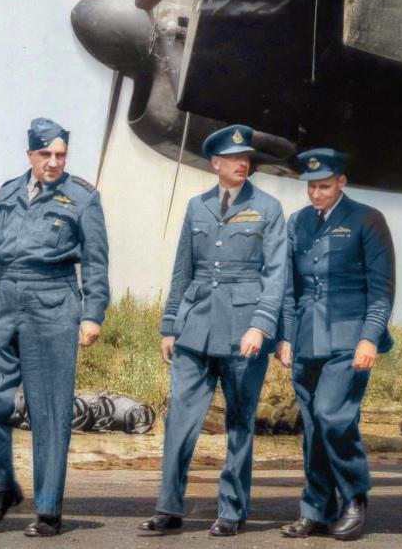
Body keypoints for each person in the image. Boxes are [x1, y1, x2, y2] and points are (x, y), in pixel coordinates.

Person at [0, 117, 109, 538]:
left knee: (49, 411)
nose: (54, 162)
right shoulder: (8, 192)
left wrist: (93, 313)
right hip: (3, 302)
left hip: (53, 302)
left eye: (60, 155)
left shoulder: (82, 198)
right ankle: (1, 488)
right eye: (45, 154)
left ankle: (48, 510)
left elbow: (96, 262)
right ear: (30, 155)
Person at [140, 125, 288, 538]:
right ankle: (168, 507)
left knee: (239, 424)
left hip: (244, 331)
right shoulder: (197, 207)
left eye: (246, 158)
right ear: (215, 163)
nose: (243, 163)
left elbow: (276, 275)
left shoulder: (269, 208)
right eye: (234, 158)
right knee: (180, 420)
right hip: (195, 328)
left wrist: (261, 326)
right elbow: (182, 270)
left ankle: (231, 511)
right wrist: (170, 325)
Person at [277, 149, 395, 542]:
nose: (316, 194)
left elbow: (381, 290)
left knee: (332, 416)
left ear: (342, 182)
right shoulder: (298, 222)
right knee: (312, 428)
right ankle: (316, 510)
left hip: (349, 340)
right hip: (306, 339)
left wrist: (369, 338)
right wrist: (286, 337)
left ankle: (355, 498)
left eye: (325, 186)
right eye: (311, 187)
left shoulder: (367, 219)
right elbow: (290, 288)